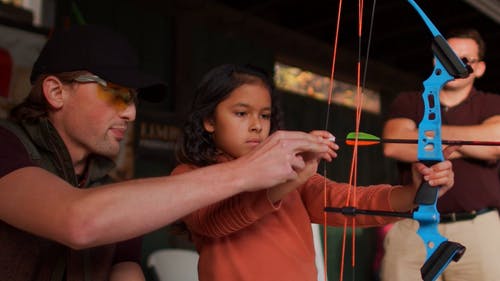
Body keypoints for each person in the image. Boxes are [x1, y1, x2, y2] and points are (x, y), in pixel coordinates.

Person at [0, 25, 338, 281]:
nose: (131, 113)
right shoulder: (6, 148)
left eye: (133, 99)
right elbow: (78, 221)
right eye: (116, 94)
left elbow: (126, 270)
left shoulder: (110, 189)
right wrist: (248, 172)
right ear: (56, 92)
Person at [171, 64, 455, 281]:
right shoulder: (189, 175)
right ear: (209, 120)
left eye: (265, 115)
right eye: (241, 113)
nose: (257, 125)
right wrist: (289, 181)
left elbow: (347, 201)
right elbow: (215, 222)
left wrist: (415, 193)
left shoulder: (290, 169)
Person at [381, 28, 500, 281]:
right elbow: (395, 146)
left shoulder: (492, 103)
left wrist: (423, 135)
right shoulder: (410, 101)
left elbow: (494, 144)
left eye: (466, 60)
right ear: (437, 61)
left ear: (479, 68)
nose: (456, 64)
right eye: (449, 57)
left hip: (477, 227)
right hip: (413, 224)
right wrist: (467, 143)